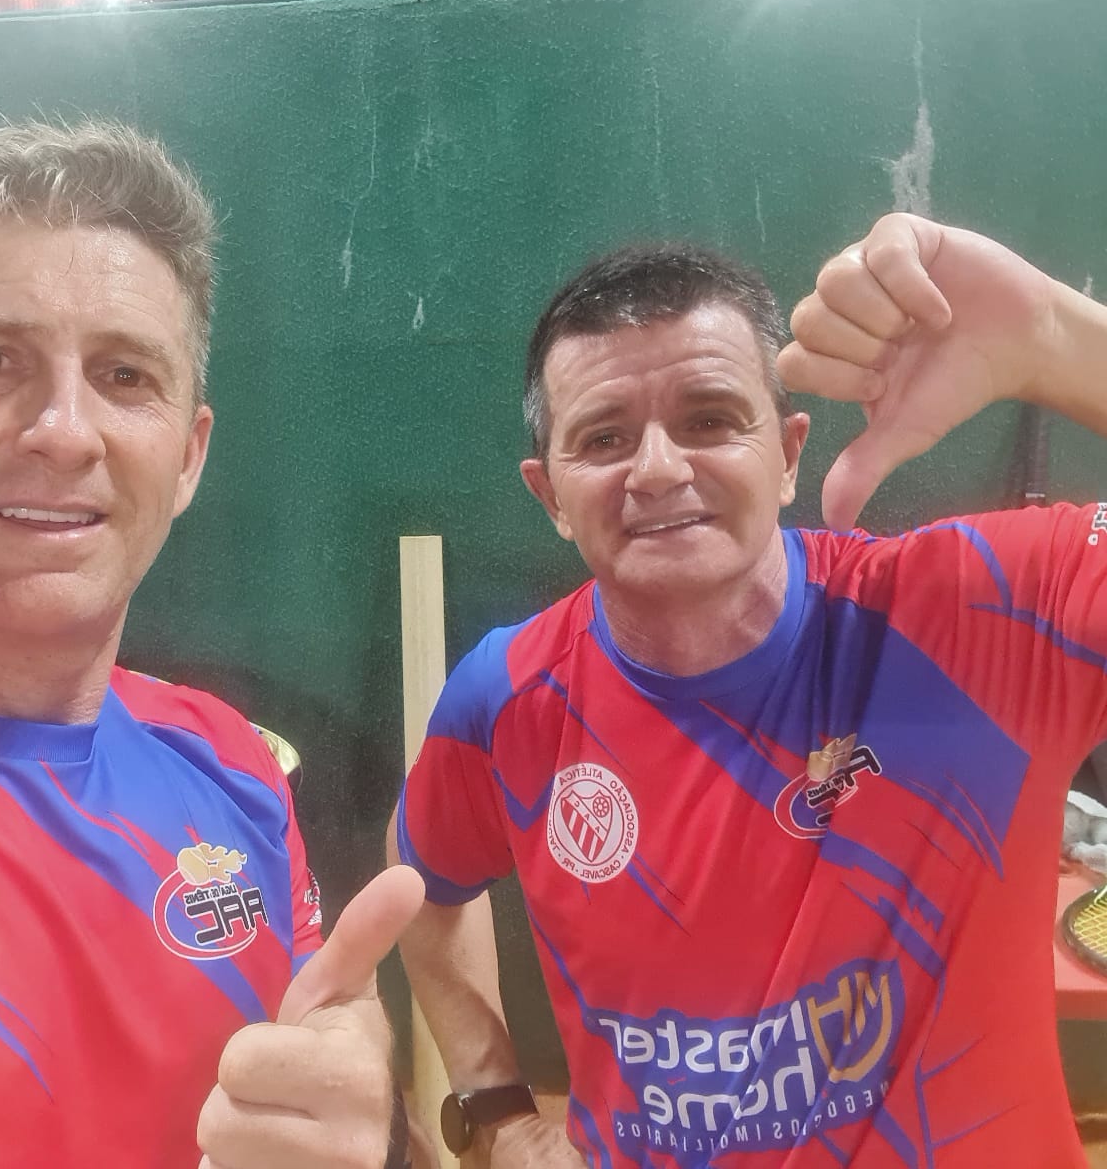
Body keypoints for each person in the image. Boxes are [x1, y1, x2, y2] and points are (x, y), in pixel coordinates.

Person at [0, 119, 423, 1168]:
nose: (65, 430)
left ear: (187, 459)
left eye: (126, 376)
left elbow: (313, 1087)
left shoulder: (231, 767)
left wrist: (362, 1123)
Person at [389, 215, 1107, 1168]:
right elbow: (419, 886)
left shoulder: (985, 611)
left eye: (709, 419)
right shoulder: (505, 698)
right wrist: (495, 1112)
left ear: (790, 453)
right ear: (550, 496)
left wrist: (1056, 339)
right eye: (604, 438)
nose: (657, 470)